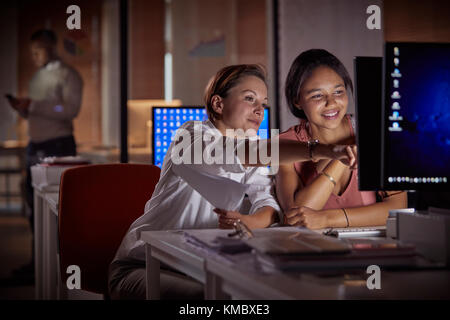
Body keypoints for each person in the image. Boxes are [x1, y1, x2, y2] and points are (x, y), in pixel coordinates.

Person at [109, 64, 356, 300]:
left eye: (263, 103)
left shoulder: (249, 154)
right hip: (144, 265)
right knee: (213, 298)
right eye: (250, 99)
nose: (260, 110)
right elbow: (242, 153)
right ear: (218, 103)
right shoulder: (189, 137)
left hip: (198, 267)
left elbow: (269, 207)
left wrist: (249, 221)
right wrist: (325, 150)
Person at [276, 49, 407, 230]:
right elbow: (296, 215)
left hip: (371, 249)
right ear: (297, 100)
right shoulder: (286, 144)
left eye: (338, 92)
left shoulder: (373, 132)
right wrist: (340, 159)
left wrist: (328, 219)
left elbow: (398, 207)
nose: (331, 103)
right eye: (317, 95)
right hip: (314, 251)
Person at [6, 29, 83, 277]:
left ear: (51, 46)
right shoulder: (37, 77)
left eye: (38, 50)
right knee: (33, 206)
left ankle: (60, 266)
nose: (35, 55)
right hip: (35, 144)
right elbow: (43, 111)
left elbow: (70, 109)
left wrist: (35, 105)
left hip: (57, 145)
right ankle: (37, 263)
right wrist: (25, 110)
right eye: (32, 51)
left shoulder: (68, 75)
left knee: (56, 208)